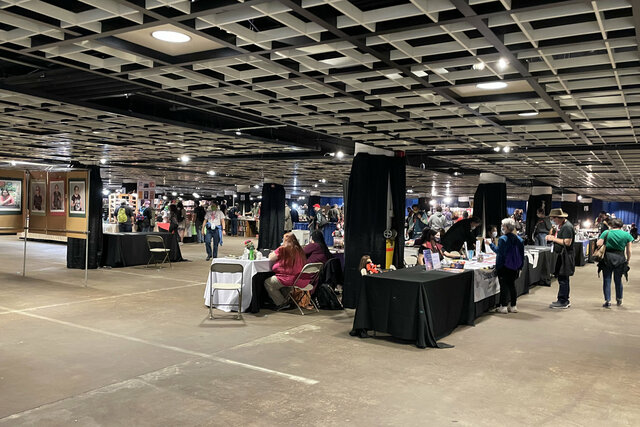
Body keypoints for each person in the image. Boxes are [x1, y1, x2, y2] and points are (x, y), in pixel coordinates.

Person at [264, 233, 309, 310]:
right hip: (300, 278)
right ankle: (288, 301)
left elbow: (271, 258)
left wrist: (273, 252)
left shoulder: (283, 249)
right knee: (283, 286)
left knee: (268, 282)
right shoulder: (300, 249)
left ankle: (281, 303)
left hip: (288, 278)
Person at [490, 218, 525, 314]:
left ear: (506, 227)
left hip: (503, 266)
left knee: (504, 286)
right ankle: (513, 306)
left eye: (503, 226)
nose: (502, 227)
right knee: (512, 285)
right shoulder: (519, 239)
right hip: (515, 267)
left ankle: (503, 306)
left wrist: (491, 245)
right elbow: (522, 255)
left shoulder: (503, 239)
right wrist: (520, 267)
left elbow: (499, 252)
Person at [596, 218, 632, 308]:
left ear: (611, 225)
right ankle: (619, 299)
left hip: (607, 258)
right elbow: (629, 250)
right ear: (621, 226)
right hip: (620, 258)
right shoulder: (626, 235)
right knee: (618, 280)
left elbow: (599, 244)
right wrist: (628, 260)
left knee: (607, 280)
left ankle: (607, 301)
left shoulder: (606, 233)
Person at [546, 208, 575, 309]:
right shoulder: (562, 226)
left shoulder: (567, 227)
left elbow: (567, 242)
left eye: (553, 219)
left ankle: (563, 301)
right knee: (562, 277)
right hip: (562, 254)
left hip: (565, 255)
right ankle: (563, 299)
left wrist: (553, 238)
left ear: (559, 218)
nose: (553, 221)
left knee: (563, 278)